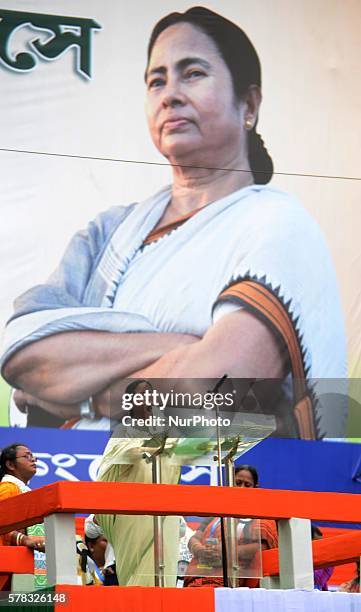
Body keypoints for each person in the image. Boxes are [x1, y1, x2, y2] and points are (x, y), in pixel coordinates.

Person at [0, 5, 346, 584]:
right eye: (156, 80)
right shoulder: (111, 231)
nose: (170, 94)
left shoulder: (276, 222)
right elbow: (23, 351)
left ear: (250, 104)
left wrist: (85, 376)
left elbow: (216, 385)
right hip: (122, 477)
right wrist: (182, 344)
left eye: (192, 73)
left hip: (180, 468)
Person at [184, 465, 277, 587]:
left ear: (255, 488)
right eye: (237, 483)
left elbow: (260, 548)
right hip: (199, 577)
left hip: (230, 581)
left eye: (247, 485)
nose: (241, 488)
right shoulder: (216, 511)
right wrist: (200, 550)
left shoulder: (260, 516)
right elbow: (194, 538)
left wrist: (226, 552)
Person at [0, 444, 45, 590]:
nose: (33, 460)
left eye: (33, 457)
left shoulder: (22, 489)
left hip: (16, 567)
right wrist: (24, 539)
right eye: (27, 456)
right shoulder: (8, 488)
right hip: (6, 567)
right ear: (10, 464)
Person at [311, 525, 334, 591]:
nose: (319, 546)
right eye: (315, 543)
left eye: (320, 542)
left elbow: (317, 579)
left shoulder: (326, 558)